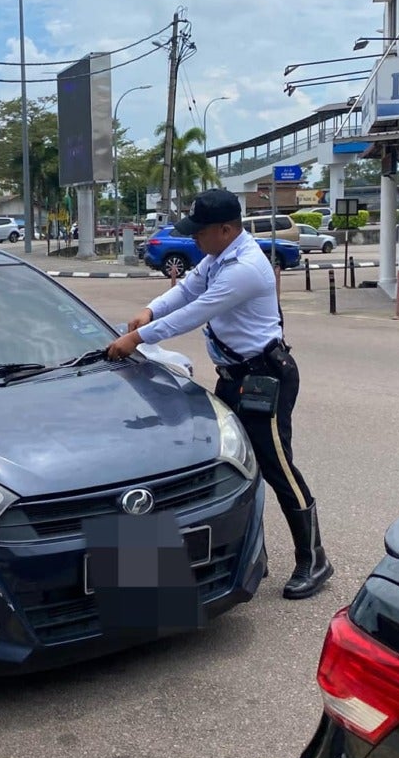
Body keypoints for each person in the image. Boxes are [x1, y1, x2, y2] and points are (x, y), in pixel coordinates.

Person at [107, 189, 332, 600]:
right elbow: (187, 290)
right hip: (235, 376)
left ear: (226, 229)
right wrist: (151, 310)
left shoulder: (245, 267)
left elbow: (198, 311)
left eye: (201, 232)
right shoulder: (217, 258)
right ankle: (250, 555)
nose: (195, 239)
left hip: (265, 376)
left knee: (276, 465)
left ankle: (314, 558)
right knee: (235, 462)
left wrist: (137, 337)